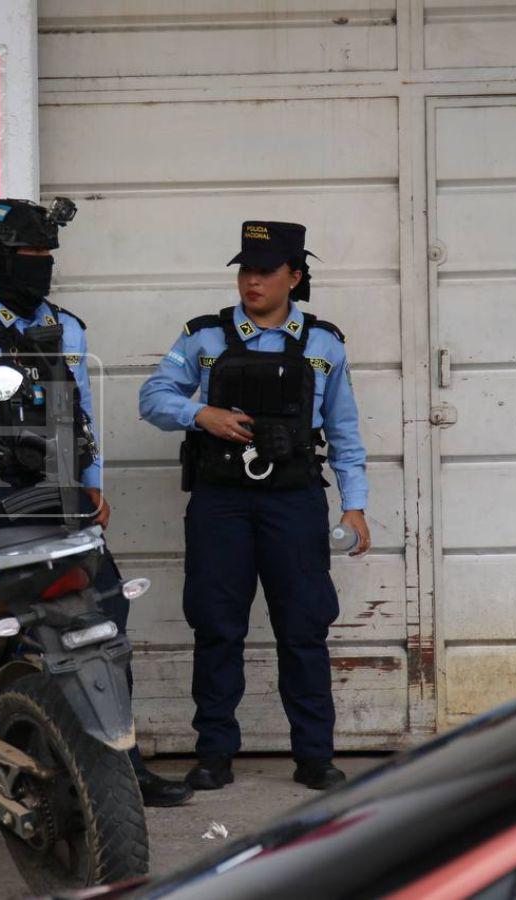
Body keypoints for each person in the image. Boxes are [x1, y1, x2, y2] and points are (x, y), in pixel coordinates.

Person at [0, 197, 193, 807]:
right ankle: (1, 762)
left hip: (64, 499)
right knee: (4, 631)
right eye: (27, 255)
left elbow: (82, 413)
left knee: (103, 624)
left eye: (46, 255)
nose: (40, 266)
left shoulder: (68, 327)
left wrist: (93, 480)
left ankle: (123, 767)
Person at [139, 221, 370, 792]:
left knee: (305, 626)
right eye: (245, 270)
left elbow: (343, 431)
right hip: (223, 501)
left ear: (294, 276)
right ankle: (215, 752)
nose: (252, 281)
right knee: (217, 626)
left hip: (294, 500)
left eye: (265, 271)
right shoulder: (204, 337)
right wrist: (202, 415)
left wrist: (355, 505)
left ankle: (315, 756)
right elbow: (153, 396)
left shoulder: (324, 344)